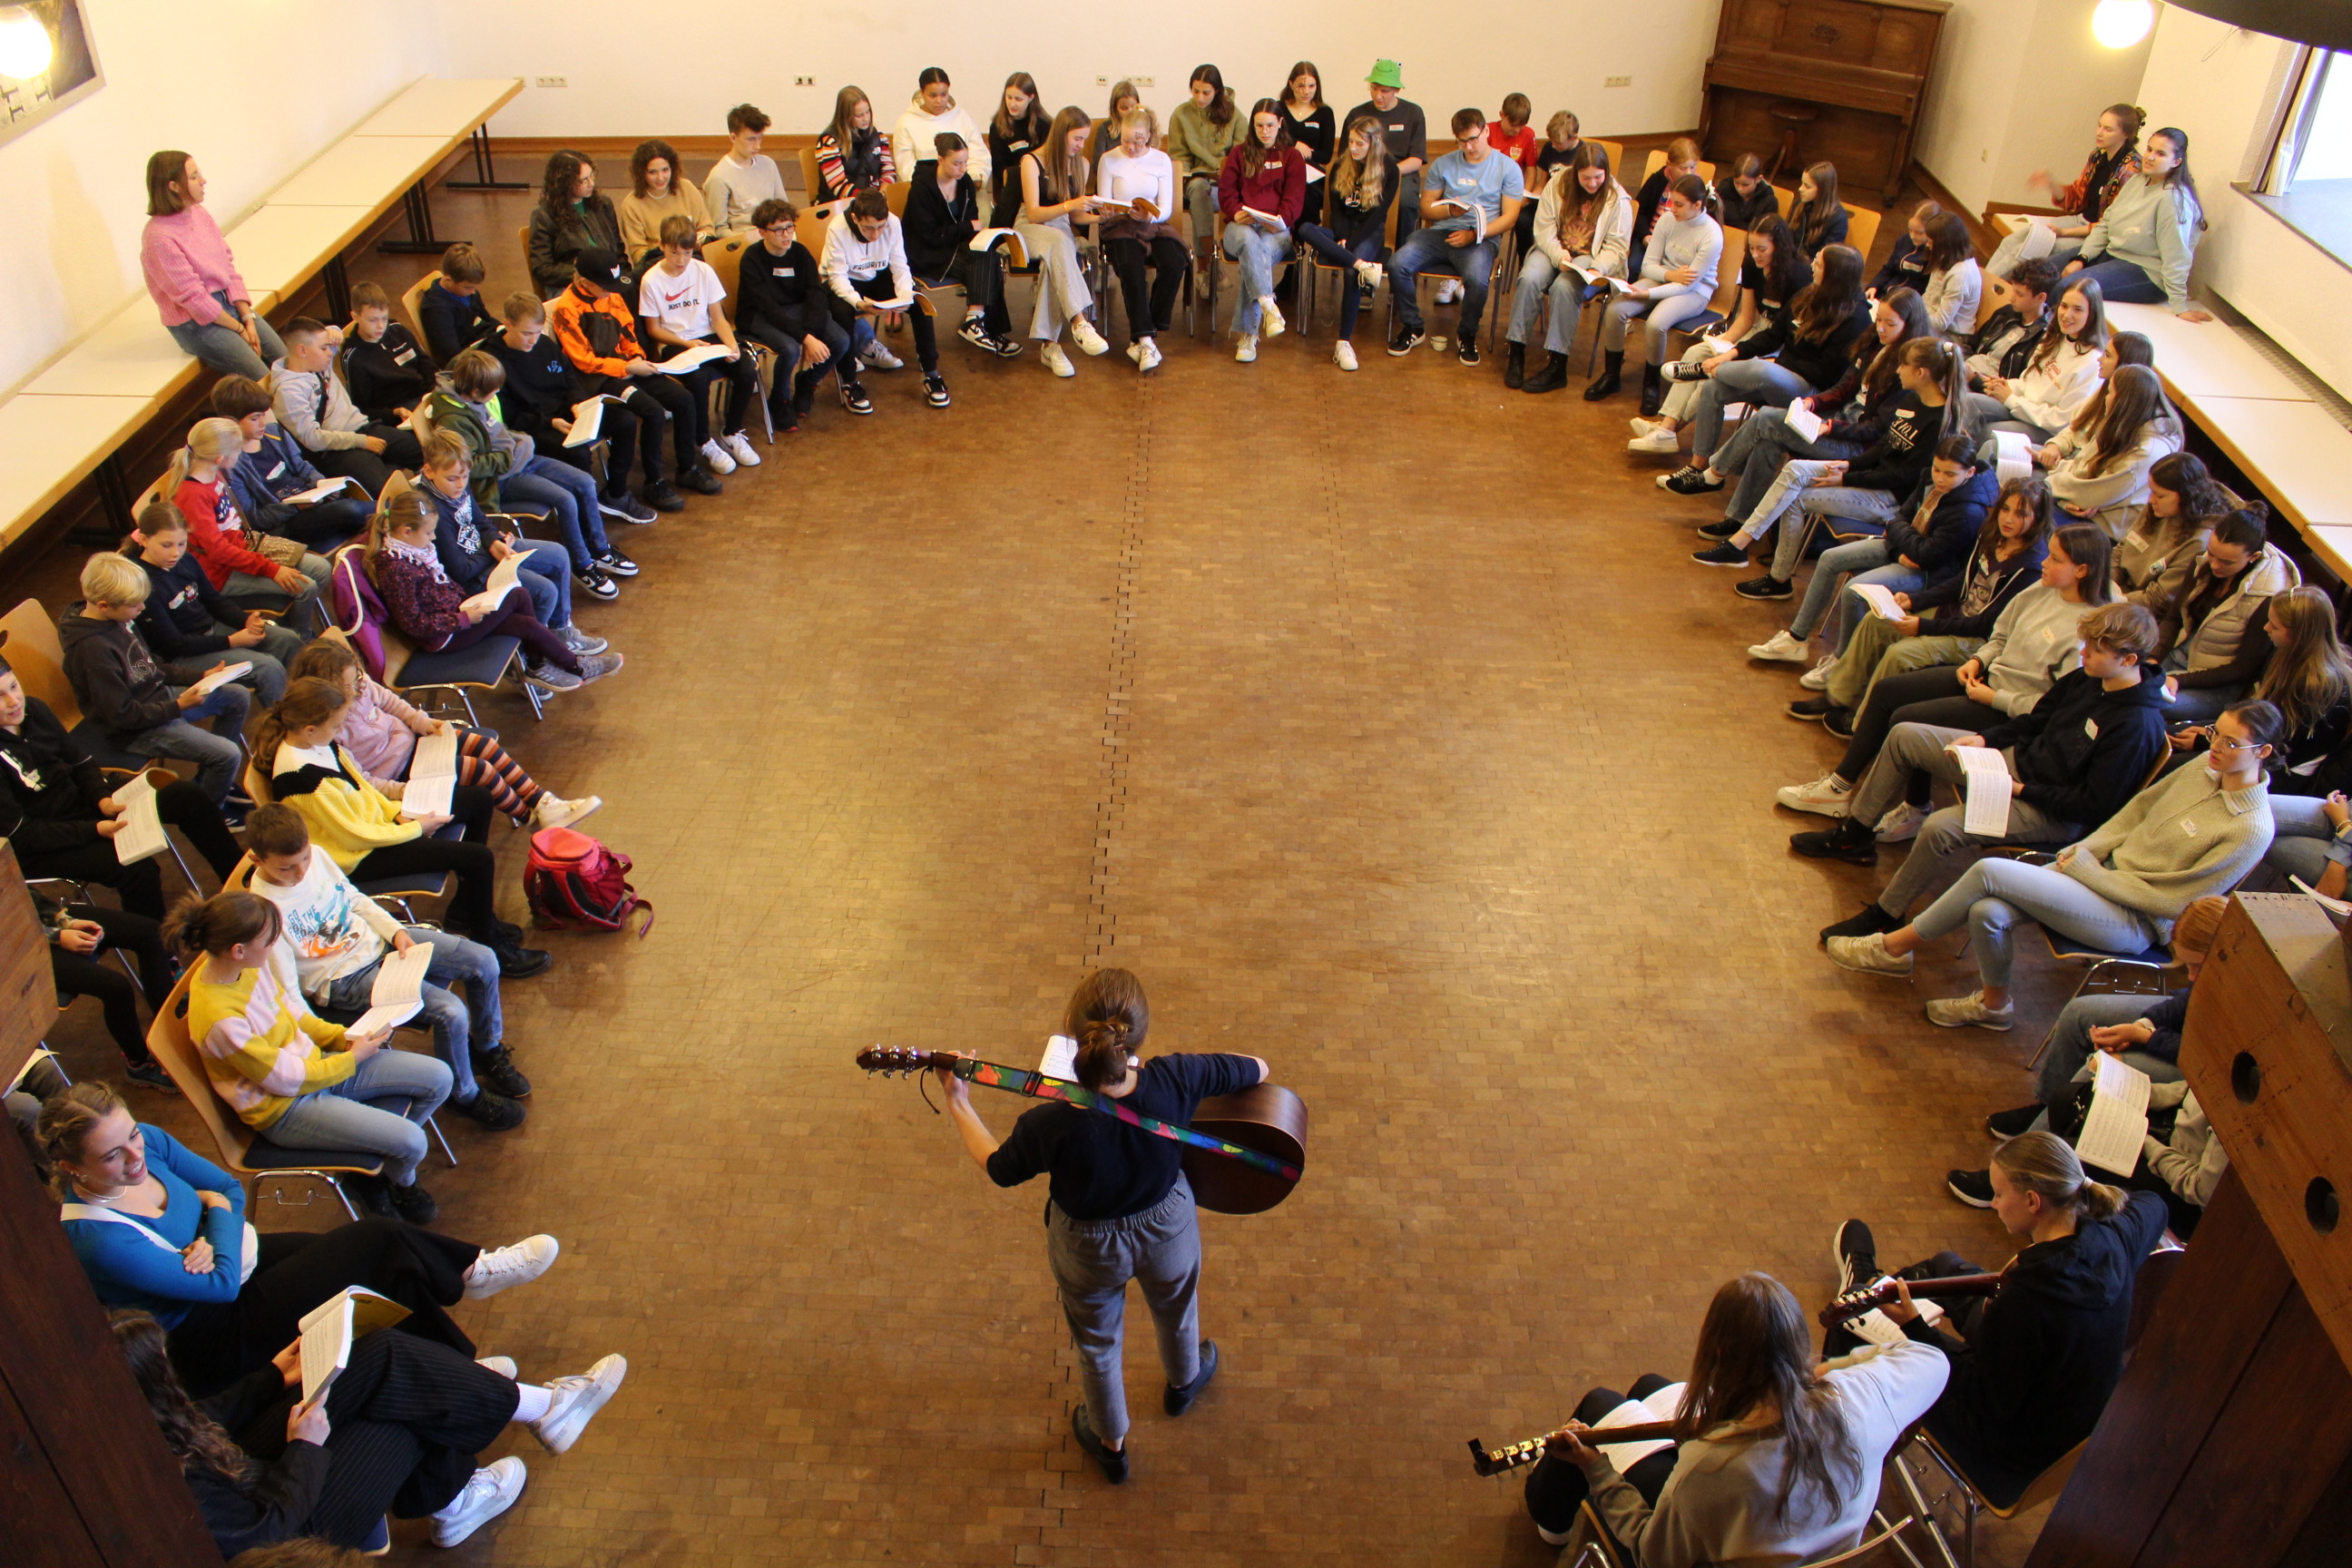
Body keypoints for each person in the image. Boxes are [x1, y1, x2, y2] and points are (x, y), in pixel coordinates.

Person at [934, 969, 1266, 1484]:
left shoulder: (1049, 1123)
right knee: (1177, 1305)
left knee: (1097, 1343)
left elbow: (999, 1169)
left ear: (1071, 1031)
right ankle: (1184, 1381)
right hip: (1167, 1225)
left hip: (1087, 1245)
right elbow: (1256, 1069)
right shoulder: (1179, 1076)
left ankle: (1112, 1444)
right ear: (1135, 1037)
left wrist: (958, 1101)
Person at [42, 1081, 560, 1395]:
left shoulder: (148, 1140)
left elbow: (225, 1185)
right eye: (112, 1155)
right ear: (71, 1167)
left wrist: (214, 1218)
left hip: (239, 1262)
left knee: (376, 1273)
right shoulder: (94, 1235)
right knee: (374, 1241)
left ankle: (462, 1370)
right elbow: (219, 1283)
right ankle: (471, 1273)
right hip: (211, 1334)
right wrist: (216, 1215)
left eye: (130, 1135)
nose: (135, 1157)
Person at [1828, 699, 2278, 1030]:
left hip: (2134, 919)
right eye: (2214, 733)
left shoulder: (2250, 829)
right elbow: (2137, 811)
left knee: (1988, 873)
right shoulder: (2204, 767)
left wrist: (2089, 871)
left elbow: (2176, 903)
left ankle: (1891, 947)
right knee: (1987, 911)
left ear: (2264, 752)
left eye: (2231, 742)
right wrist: (2089, 852)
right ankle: (1994, 1006)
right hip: (2096, 876)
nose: (2215, 746)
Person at [1825, 1136, 2170, 1506]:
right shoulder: (2113, 1235)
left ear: (2033, 1201)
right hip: (2078, 1420)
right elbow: (2156, 1205)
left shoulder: (2029, 1300)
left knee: (1849, 1329)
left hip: (2010, 1448)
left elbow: (1978, 1394)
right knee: (1945, 1267)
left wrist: (1914, 1328)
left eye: (2000, 1194)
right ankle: (1878, 1286)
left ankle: (1825, 1456)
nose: (1993, 1203)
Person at [116, 1308, 625, 1553]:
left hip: (243, 1470)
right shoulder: (150, 1487)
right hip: (282, 1532)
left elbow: (197, 1418)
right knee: (406, 1413)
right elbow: (264, 1534)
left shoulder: (131, 1426)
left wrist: (271, 1376)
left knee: (384, 1356)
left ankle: (521, 1410)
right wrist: (303, 1451)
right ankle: (506, 1424)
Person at [1523, 1273, 1945, 1561]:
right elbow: (1932, 1358)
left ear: (1719, 1353)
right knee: (1649, 1387)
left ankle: (1551, 1521)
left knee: (1600, 1403)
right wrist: (1821, 1375)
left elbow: (1653, 1554)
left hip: (1723, 1536)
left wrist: (1596, 1469)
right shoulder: (1861, 1397)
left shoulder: (1710, 1468)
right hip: (1812, 1543)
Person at [1798, 603, 2168, 911]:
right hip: (2016, 766)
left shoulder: (2135, 726)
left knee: (1939, 828)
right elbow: (2035, 720)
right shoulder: (2089, 677)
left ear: (2129, 659)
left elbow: (2091, 806)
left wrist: (2020, 790)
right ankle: (1854, 837)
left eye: (2095, 650)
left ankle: (1886, 915)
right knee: (1905, 735)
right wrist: (1984, 738)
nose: (2083, 653)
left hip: (2050, 810)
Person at [240, 803, 528, 1134]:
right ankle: (464, 1095)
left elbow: (353, 899)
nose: (302, 872)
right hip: (344, 978)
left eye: (304, 859)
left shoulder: (315, 855)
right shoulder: (265, 912)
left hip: (378, 942)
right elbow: (287, 987)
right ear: (256, 860)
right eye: (287, 868)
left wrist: (396, 931)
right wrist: (317, 1035)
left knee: (483, 960)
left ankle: (487, 1049)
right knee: (450, 1011)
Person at [162, 891, 452, 1218]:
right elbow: (285, 1080)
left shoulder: (246, 966)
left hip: (315, 1067)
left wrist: (344, 1038)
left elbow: (295, 1017)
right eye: (269, 940)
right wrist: (352, 1059)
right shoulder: (220, 1020)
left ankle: (376, 1164)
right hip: (284, 1107)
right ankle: (400, 1183)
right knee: (413, 1141)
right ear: (238, 950)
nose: (276, 946)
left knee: (440, 1078)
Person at [1786, 521, 2111, 793]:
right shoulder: (2041, 590)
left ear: (2081, 570)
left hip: (2009, 711)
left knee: (1906, 719)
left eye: (2055, 559)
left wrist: (1995, 697)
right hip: (1983, 677)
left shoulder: (2088, 631)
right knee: (1889, 690)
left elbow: (2051, 710)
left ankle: (1875, 797)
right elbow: (1999, 635)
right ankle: (1841, 784)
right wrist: (1978, 661)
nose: (2044, 563)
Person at [257, 675, 550, 976]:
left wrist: (400, 812)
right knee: (478, 858)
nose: (340, 731)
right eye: (336, 725)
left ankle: (468, 909)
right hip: (358, 855)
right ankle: (492, 943)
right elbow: (352, 834)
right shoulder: (301, 779)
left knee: (478, 799)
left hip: (377, 829)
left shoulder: (318, 744)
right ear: (310, 729)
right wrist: (415, 828)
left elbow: (362, 789)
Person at [1693, 337, 1968, 600]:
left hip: (1888, 498)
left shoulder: (1939, 423)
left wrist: (1846, 477)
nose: (1897, 370)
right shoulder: (1911, 400)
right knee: (1795, 470)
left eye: (1903, 365)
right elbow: (1884, 445)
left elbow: (1903, 477)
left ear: (1921, 373)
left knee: (1796, 500)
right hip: (1868, 476)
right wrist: (1848, 465)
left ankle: (1776, 579)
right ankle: (1738, 546)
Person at [1802, 478, 2056, 733]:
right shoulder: (1991, 535)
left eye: (2021, 513)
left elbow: (1986, 624)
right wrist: (1916, 600)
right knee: (1875, 621)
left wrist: (1923, 626)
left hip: (1978, 639)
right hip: (1955, 613)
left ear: (2038, 518)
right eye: (2005, 509)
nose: (2008, 519)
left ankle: (1863, 725)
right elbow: (1962, 581)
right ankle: (1837, 697)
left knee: (1899, 654)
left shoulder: (2032, 567)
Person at [0, 655, 245, 917]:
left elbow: (80, 762)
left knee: (187, 797)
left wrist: (102, 799)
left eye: (14, 687)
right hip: (43, 839)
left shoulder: (34, 710)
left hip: (84, 803)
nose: (14, 702)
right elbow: (23, 835)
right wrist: (93, 829)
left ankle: (241, 882)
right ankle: (161, 948)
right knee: (137, 870)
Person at [1976, 896, 2222, 1141]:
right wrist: (2142, 1025)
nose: (2190, 976)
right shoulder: (2212, 971)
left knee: (2101, 1067)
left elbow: (2208, 1057)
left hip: (2204, 1069)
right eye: (2187, 966)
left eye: (2197, 966)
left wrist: (2146, 1038)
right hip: (2182, 1037)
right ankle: (2048, 1107)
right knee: (2079, 1013)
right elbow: (2186, 1001)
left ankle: (2031, 1161)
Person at [286, 639, 595, 833]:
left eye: (357, 678)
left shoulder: (361, 685)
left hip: (415, 745)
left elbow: (390, 700)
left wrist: (419, 720)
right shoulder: (332, 726)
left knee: (482, 744)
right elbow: (364, 779)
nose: (359, 687)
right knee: (480, 770)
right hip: (399, 775)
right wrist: (403, 791)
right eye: (351, 684)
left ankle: (544, 801)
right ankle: (531, 817)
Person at [1750, 436, 1996, 681]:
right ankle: (1796, 639)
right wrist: (1899, 544)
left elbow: (1926, 556)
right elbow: (1900, 518)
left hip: (1929, 573)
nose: (1940, 478)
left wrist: (1900, 533)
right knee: (1829, 559)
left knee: (1854, 591)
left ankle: (1842, 663)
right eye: (1937, 469)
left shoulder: (1969, 512)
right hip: (1902, 552)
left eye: (1950, 474)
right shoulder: (1927, 478)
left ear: (1970, 472)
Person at [1672, 288, 1934, 514]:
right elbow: (1845, 387)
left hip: (1855, 445)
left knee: (1767, 417)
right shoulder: (1875, 344)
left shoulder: (1909, 371)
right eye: (1879, 320)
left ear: (1909, 326)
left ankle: (1713, 474)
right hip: (1838, 421)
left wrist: (1831, 427)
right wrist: (1814, 404)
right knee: (1768, 440)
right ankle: (1737, 519)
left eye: (1890, 324)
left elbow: (1877, 430)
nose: (1880, 328)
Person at [425, 348, 639, 600]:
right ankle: (583, 565)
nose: (496, 396)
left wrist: (519, 442)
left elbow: (499, 432)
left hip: (521, 458)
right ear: (474, 393)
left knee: (585, 482)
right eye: (493, 392)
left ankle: (601, 550)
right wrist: (509, 454)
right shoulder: (452, 421)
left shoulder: (474, 400)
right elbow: (470, 468)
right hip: (503, 478)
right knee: (565, 499)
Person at [1630, 231, 1865, 459]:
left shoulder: (1856, 318)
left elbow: (1826, 374)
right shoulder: (1808, 294)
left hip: (1810, 391)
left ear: (1835, 273)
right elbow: (1772, 335)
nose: (1814, 265)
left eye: (1820, 264)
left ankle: (1702, 370)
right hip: (1781, 369)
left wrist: (1774, 362)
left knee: (1761, 369)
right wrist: (1732, 352)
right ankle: (1686, 451)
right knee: (1713, 385)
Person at [364, 492, 617, 699]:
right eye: (429, 533)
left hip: (459, 612)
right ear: (407, 531)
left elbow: (442, 588)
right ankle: (570, 665)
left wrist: (468, 604)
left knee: (518, 596)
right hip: (446, 636)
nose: (433, 538)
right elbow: (414, 624)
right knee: (525, 620)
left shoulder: (415, 551)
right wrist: (464, 618)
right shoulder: (397, 569)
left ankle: (538, 664)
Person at [59, 553, 250, 805]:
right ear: (104, 605)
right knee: (228, 755)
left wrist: (200, 676)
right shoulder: (92, 652)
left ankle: (209, 782)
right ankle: (210, 809)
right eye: (135, 605)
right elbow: (122, 716)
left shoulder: (117, 618)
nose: (142, 609)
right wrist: (178, 706)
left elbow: (152, 665)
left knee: (237, 695)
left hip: (156, 700)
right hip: (137, 729)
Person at [546, 248, 719, 497]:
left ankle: (687, 468)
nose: (611, 291)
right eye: (605, 286)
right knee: (653, 412)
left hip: (629, 365)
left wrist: (636, 355)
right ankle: (654, 482)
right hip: (599, 379)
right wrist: (625, 367)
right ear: (585, 282)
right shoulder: (566, 310)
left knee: (684, 400)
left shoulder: (612, 295)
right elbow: (584, 361)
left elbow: (628, 331)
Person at [412, 428, 609, 646]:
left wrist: (494, 540)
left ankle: (560, 631)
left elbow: (481, 522)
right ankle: (537, 651)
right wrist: (490, 550)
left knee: (559, 554)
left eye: (465, 476)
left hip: (483, 554)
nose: (460, 484)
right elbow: (460, 570)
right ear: (428, 471)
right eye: (453, 478)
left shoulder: (453, 489)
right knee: (545, 591)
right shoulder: (432, 510)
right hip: (473, 577)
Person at [485, 291, 669, 520]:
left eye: (537, 332)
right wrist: (549, 421)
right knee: (578, 451)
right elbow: (507, 414)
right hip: (534, 426)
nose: (533, 340)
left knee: (625, 421)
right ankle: (586, 513)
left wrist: (576, 403)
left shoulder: (543, 344)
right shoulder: (492, 361)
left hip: (566, 412)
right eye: (526, 334)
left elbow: (569, 377)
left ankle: (616, 494)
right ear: (507, 325)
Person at [124, 503, 303, 708]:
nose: (176, 553)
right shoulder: (143, 584)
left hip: (212, 631)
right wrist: (231, 641)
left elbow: (213, 600)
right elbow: (173, 644)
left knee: (288, 640)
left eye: (182, 544)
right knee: (267, 668)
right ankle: (285, 727)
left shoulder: (186, 560)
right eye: (167, 545)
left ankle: (306, 700)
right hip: (185, 656)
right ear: (145, 540)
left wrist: (245, 620)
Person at [1386, 107, 1524, 367]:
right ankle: (1414, 326)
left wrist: (1474, 234)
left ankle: (1467, 333)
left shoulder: (1508, 168)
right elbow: (1425, 207)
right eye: (1462, 141)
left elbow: (1510, 217)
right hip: (1441, 232)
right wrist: (1449, 210)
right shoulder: (1444, 164)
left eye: (1474, 139)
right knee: (1397, 264)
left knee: (1477, 280)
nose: (1469, 147)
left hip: (1480, 237)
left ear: (1486, 131)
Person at [162, 416, 331, 625]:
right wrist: (272, 569)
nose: (241, 453)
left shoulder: (215, 474)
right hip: (221, 573)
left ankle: (291, 623)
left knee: (321, 569)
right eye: (237, 450)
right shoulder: (193, 496)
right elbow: (219, 552)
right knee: (306, 587)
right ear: (220, 458)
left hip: (244, 548)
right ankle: (301, 639)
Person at [2142, 506, 2302, 725]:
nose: (2215, 565)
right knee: (2116, 677)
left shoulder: (2267, 598)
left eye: (2226, 562)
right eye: (2212, 554)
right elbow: (2173, 618)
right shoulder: (2203, 562)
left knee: (2145, 703)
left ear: (2253, 557)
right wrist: (2153, 658)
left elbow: (2243, 669)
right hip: (2178, 656)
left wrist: (2179, 680)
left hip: (2216, 684)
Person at [142, 151, 286, 378]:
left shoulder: (199, 213)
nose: (203, 181)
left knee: (287, 363)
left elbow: (227, 268)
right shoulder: (159, 238)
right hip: (196, 322)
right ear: (174, 186)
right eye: (194, 176)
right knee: (262, 379)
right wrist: (239, 328)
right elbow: (195, 301)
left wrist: (247, 318)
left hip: (228, 305)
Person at [640, 216, 768, 465]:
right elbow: (654, 329)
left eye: (687, 253)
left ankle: (731, 432)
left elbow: (718, 317)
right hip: (674, 342)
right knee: (698, 379)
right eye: (674, 253)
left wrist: (731, 345)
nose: (681, 261)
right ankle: (704, 441)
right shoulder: (651, 280)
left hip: (707, 337)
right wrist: (689, 345)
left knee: (745, 368)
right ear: (662, 246)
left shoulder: (703, 270)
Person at [1508, 143, 1633, 395]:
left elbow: (1618, 248)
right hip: (1554, 248)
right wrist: (1559, 254)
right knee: (1529, 277)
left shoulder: (1618, 199)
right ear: (1575, 172)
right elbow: (1542, 229)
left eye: (1598, 177)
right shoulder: (1558, 184)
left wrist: (1598, 268)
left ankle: (1557, 364)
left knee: (1564, 287)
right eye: (1585, 178)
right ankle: (1516, 349)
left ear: (1606, 173)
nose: (1592, 183)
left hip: (1592, 258)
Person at [1584, 173, 1719, 403]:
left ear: (1697, 206)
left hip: (1694, 292)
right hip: (1664, 278)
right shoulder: (1667, 220)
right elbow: (1648, 264)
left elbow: (1686, 285)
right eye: (1670, 201)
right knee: (1616, 310)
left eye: (1678, 204)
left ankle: (1651, 382)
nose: (1671, 209)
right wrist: (1669, 274)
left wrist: (1649, 292)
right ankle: (1611, 374)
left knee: (1657, 324)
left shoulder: (1712, 234)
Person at [32, 887, 178, 1092]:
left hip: (41, 926)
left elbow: (21, 891)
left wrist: (65, 922)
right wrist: (57, 937)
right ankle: (139, 1064)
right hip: (17, 956)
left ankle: (172, 1030)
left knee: (150, 932)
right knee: (115, 987)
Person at [735, 198, 862, 428]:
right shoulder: (752, 259)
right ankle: (780, 398)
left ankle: (808, 382)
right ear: (763, 232)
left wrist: (811, 332)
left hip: (795, 310)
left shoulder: (800, 253)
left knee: (841, 340)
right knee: (790, 348)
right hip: (758, 315)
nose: (786, 235)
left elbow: (815, 294)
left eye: (790, 227)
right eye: (778, 230)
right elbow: (767, 307)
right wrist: (805, 338)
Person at [2065, 126, 2213, 319]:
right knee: (2046, 272)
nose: (2150, 157)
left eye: (2160, 154)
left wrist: (2180, 306)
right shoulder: (2137, 181)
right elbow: (2106, 224)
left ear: (2176, 161)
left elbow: (2176, 255)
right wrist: (2082, 258)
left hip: (2146, 272)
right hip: (2114, 254)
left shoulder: (2173, 199)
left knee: (2070, 290)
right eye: (2149, 149)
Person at [208, 377, 372, 550]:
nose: (263, 423)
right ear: (231, 421)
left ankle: (392, 516)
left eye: (264, 415)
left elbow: (302, 467)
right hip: (288, 523)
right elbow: (255, 518)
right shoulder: (231, 464)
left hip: (311, 502)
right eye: (255, 419)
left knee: (354, 503)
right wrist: (297, 508)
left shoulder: (274, 433)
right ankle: (392, 514)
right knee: (351, 511)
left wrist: (322, 484)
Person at [824, 191, 953, 410]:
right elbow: (837, 276)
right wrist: (857, 302)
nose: (875, 235)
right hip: (845, 282)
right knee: (842, 313)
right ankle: (849, 382)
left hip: (877, 275)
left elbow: (900, 265)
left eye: (880, 227)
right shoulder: (838, 227)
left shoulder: (893, 223)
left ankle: (931, 374)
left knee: (919, 304)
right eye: (868, 228)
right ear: (855, 218)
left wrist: (904, 294)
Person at [267, 318, 422, 496]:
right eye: (324, 348)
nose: (330, 353)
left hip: (363, 428)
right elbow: (313, 439)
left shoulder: (317, 360)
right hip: (335, 451)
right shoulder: (288, 392)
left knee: (427, 452)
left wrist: (333, 331)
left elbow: (335, 334)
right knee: (389, 489)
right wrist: (361, 441)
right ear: (302, 350)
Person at [1988, 104, 2145, 279]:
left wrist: (2064, 233)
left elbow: (2111, 226)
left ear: (2125, 134)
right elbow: (2075, 200)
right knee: (2011, 241)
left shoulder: (2132, 170)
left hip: (2097, 236)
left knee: (2025, 249)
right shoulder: (2098, 155)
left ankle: (1980, 290)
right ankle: (1977, 285)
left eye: (2107, 129)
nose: (2099, 132)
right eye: (2099, 125)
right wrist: (2051, 183)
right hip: (2080, 220)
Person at [1016, 106, 1114, 377]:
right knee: (1060, 244)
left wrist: (1099, 217)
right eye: (1077, 139)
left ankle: (1050, 346)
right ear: (1061, 134)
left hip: (1059, 230)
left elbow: (1075, 216)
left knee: (1056, 257)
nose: (1081, 145)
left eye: (1084, 139)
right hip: (1030, 226)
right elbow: (1034, 212)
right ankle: (1080, 321)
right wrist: (1071, 203)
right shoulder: (1031, 161)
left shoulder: (1081, 164)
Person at [1297, 115, 1398, 374]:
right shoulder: (1341, 164)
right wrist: (1342, 236)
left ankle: (1343, 342)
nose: (1352, 148)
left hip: (1369, 233)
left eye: (1359, 144)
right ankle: (1363, 265)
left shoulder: (1389, 168)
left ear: (1373, 144)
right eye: (1350, 142)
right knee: (1306, 228)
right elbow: (1337, 210)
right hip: (1343, 232)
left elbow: (1377, 215)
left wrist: (1350, 242)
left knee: (1352, 274)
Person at [2034, 363, 2182, 535]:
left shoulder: (2147, 452)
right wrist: (2055, 474)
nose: (2106, 397)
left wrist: (2050, 484)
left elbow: (2091, 495)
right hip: (2075, 496)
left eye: (2110, 392)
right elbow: (2082, 466)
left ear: (2123, 401)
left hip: (2102, 525)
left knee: (2028, 510)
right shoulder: (2123, 424)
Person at [1094, 110, 1187, 374]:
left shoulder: (1161, 160)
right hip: (1121, 226)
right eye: (1126, 141)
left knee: (1174, 261)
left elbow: (1166, 206)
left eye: (1139, 141)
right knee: (1131, 268)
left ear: (1150, 137)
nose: (1132, 148)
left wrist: (1150, 213)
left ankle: (1148, 328)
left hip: (1153, 224)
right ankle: (1145, 340)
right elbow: (1105, 201)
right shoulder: (1108, 159)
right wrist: (1111, 210)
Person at [1220, 102, 1308, 363]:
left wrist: (1279, 220)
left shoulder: (1292, 157)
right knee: (1248, 241)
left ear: (1280, 124)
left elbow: (1294, 201)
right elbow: (1226, 193)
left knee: (1255, 257)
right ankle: (1268, 306)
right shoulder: (1239, 153)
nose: (1265, 131)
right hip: (1241, 226)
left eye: (1270, 125)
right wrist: (1235, 211)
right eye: (1259, 125)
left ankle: (1248, 335)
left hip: (1276, 231)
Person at [1976, 275, 2106, 441]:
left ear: (2092, 314)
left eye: (2078, 309)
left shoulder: (2092, 362)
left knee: (1990, 434)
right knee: (1968, 403)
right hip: (2022, 407)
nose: (2067, 315)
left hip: (2045, 429)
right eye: (2064, 306)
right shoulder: (2054, 337)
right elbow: (2028, 383)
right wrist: (2005, 385)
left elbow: (2061, 421)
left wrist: (2010, 399)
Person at [2116, 452, 2233, 599]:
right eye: (2152, 492)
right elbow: (2122, 547)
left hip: (2138, 607)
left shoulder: (2199, 541)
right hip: (2118, 590)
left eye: (2160, 495)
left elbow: (2158, 599)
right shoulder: (2158, 507)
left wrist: (2112, 599)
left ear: (2186, 496)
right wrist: (2106, 583)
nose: (2151, 500)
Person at [1171, 66, 1245, 288]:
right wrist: (1188, 173)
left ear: (1218, 91)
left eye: (1206, 93)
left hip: (1227, 182)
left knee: (1201, 194)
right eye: (1195, 91)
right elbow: (1178, 156)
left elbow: (1242, 153)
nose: (1199, 98)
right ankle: (1207, 266)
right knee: (1198, 190)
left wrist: (1225, 172)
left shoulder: (1234, 114)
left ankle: (1205, 270)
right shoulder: (1181, 114)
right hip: (1193, 182)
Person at [1342, 62, 1427, 249]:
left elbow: (1416, 159)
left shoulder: (1413, 113)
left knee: (1404, 202)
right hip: (1362, 171)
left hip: (1399, 171)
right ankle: (1353, 245)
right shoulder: (1357, 113)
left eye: (1385, 91)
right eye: (1374, 89)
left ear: (1396, 90)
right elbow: (1346, 155)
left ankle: (1402, 254)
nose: (1378, 95)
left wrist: (1387, 172)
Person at [525, 150, 622, 299]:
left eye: (591, 176)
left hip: (607, 280)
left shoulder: (603, 204)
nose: (591, 183)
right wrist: (587, 274)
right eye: (583, 181)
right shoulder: (543, 216)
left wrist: (627, 279)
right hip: (571, 286)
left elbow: (618, 249)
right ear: (564, 184)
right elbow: (543, 269)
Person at [337, 284, 434, 428]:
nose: (381, 326)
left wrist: (434, 389)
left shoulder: (397, 329)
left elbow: (426, 364)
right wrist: (393, 413)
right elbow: (362, 409)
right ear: (355, 317)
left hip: (426, 395)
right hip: (398, 412)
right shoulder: (354, 358)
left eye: (384, 318)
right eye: (373, 320)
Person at [1962, 256, 2059, 389]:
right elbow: (1971, 344)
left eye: (2020, 294)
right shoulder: (2006, 313)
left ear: (2041, 297)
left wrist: (1973, 379)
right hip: (1967, 369)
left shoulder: (2044, 337)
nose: (2011, 298)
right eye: (2013, 291)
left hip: (1986, 386)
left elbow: (2017, 386)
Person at [894, 68, 990, 201]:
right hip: (925, 192)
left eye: (943, 95)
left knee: (984, 214)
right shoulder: (906, 122)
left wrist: (974, 177)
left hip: (963, 187)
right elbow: (906, 166)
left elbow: (978, 154)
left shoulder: (961, 117)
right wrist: (932, 187)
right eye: (933, 96)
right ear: (922, 93)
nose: (939, 101)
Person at [616, 138, 713, 263]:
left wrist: (690, 244)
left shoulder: (687, 188)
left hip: (693, 257)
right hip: (657, 264)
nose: (660, 178)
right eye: (652, 172)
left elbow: (708, 229)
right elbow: (638, 253)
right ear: (642, 174)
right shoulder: (631, 204)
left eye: (665, 170)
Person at [703, 104, 788, 234]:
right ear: (733, 138)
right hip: (745, 239)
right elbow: (719, 227)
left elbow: (784, 208)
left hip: (776, 234)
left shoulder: (769, 164)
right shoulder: (719, 177)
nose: (757, 145)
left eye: (760, 138)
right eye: (751, 139)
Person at [1626, 138, 1701, 279]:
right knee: (1633, 265)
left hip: (1678, 242)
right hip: (1651, 236)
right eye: (1683, 168)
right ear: (1670, 165)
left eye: (1693, 167)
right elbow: (1639, 211)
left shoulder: (1697, 189)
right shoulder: (1657, 181)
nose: (1688, 173)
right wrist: (1645, 235)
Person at [416, 242, 500, 365]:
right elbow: (453, 355)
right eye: (468, 287)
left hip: (482, 341)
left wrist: (502, 328)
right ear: (449, 280)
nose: (473, 292)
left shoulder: (468, 292)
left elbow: (486, 319)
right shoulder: (436, 310)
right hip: (469, 359)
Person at [987, 75, 1053, 228]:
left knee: (1022, 172)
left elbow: (1047, 161)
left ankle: (997, 232)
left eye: (1018, 99)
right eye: (1009, 97)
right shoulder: (997, 126)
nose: (1012, 103)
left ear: (1031, 98)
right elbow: (998, 166)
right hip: (1010, 182)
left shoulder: (1045, 124)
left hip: (1039, 180)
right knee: (1016, 175)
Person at [815, 86, 896, 202]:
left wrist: (883, 191)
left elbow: (889, 170)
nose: (866, 118)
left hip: (874, 201)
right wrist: (868, 202)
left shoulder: (877, 137)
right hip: (841, 204)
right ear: (845, 116)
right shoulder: (830, 143)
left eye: (867, 112)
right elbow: (838, 186)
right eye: (859, 115)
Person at [1280, 63, 1336, 226]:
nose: (1306, 91)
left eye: (1311, 86)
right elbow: (1270, 139)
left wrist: (1308, 152)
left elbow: (1326, 155)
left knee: (1305, 188)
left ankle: (1306, 237)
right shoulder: (1279, 108)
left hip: (1312, 171)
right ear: (1291, 84)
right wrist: (1294, 145)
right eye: (1301, 85)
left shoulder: (1325, 113)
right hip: (1282, 167)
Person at [1916, 210, 1982, 335]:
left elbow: (1941, 323)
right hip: (1930, 321)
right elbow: (1928, 299)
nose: (1928, 246)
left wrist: (1913, 317)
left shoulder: (1961, 275)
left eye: (1931, 243)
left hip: (1952, 335)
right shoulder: (1943, 258)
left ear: (1945, 244)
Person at [1864, 200, 1938, 300]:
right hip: (1887, 293)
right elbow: (1889, 269)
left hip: (1908, 301)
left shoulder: (1934, 252)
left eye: (1919, 233)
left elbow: (1927, 290)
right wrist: (1874, 286)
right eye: (1910, 230)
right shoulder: (1904, 240)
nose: (1912, 236)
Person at [1788, 162, 1849, 257]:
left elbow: (1827, 257)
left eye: (1807, 186)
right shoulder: (1799, 204)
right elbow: (1787, 237)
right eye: (1802, 183)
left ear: (1822, 190)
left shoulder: (1838, 219)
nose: (1800, 189)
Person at [1713, 152, 1779, 234]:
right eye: (1736, 183)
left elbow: (1766, 231)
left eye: (1745, 185)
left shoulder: (1769, 201)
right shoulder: (1724, 190)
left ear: (1758, 179)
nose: (1740, 189)